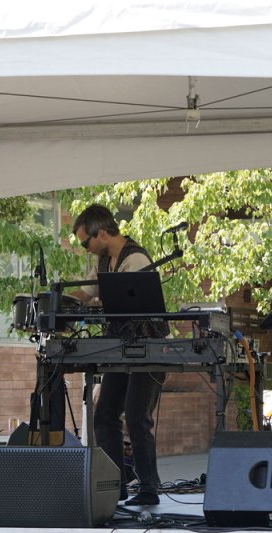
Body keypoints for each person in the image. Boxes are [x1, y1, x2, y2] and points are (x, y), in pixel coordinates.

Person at [69, 204, 167, 506]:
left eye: (87, 243)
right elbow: (84, 293)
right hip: (121, 349)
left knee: (137, 417)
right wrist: (56, 302)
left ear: (101, 233)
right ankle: (115, 486)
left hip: (147, 348)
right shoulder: (104, 261)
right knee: (104, 416)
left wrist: (94, 305)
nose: (86, 249)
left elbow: (127, 305)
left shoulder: (135, 259)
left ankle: (149, 487)